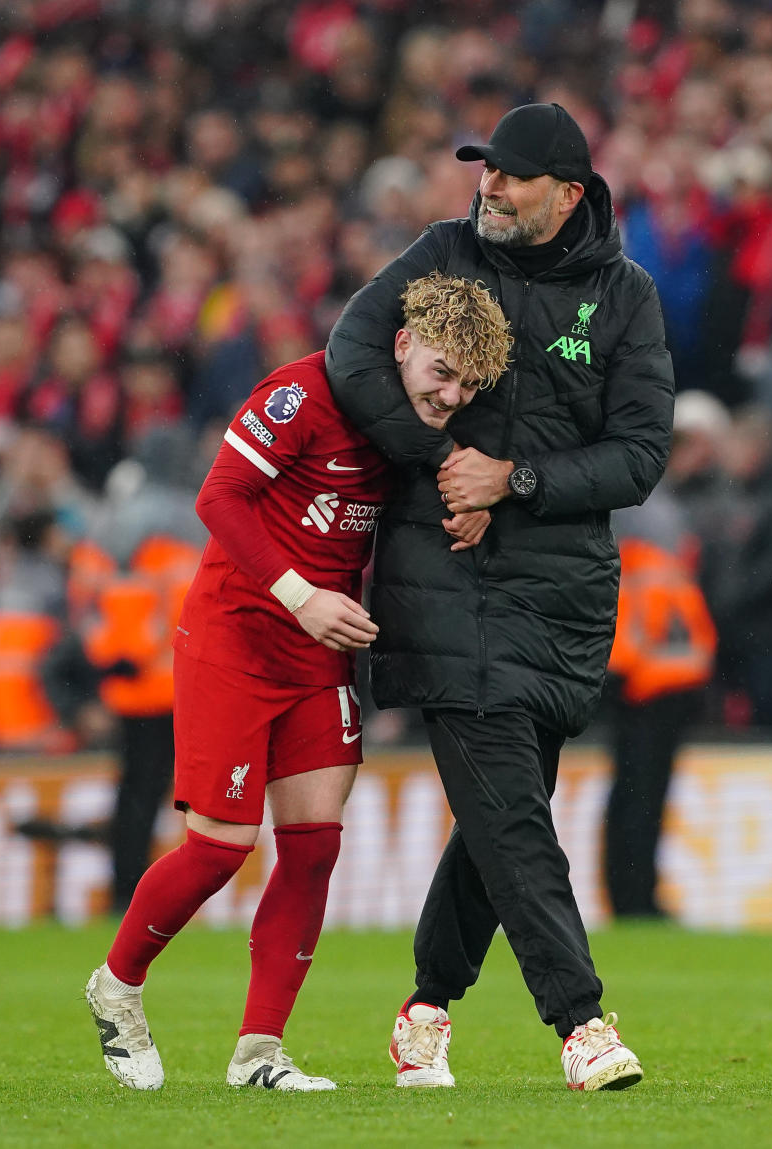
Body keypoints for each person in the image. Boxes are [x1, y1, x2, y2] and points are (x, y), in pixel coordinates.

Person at [84, 272, 513, 1092]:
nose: (450, 396)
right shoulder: (301, 393)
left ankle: (260, 1051)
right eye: (441, 373)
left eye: (466, 385)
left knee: (315, 847)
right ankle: (118, 984)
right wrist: (301, 594)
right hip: (237, 634)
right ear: (401, 345)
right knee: (219, 850)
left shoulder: (410, 431)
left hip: (319, 653)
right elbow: (220, 498)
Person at [326, 102, 674, 1092]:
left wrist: (511, 479)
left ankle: (425, 1008)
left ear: (567, 195)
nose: (489, 186)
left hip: (562, 593)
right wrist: (448, 465)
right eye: (485, 169)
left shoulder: (624, 297)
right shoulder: (441, 254)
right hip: (444, 576)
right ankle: (582, 1022)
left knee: (500, 817)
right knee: (514, 816)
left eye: (512, 176)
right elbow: (353, 356)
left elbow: (641, 455)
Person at [601, 482, 717, 919]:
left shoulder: (631, 559)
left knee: (634, 799)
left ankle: (632, 896)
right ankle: (636, 897)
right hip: (663, 689)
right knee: (642, 800)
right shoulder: (661, 561)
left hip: (644, 687)